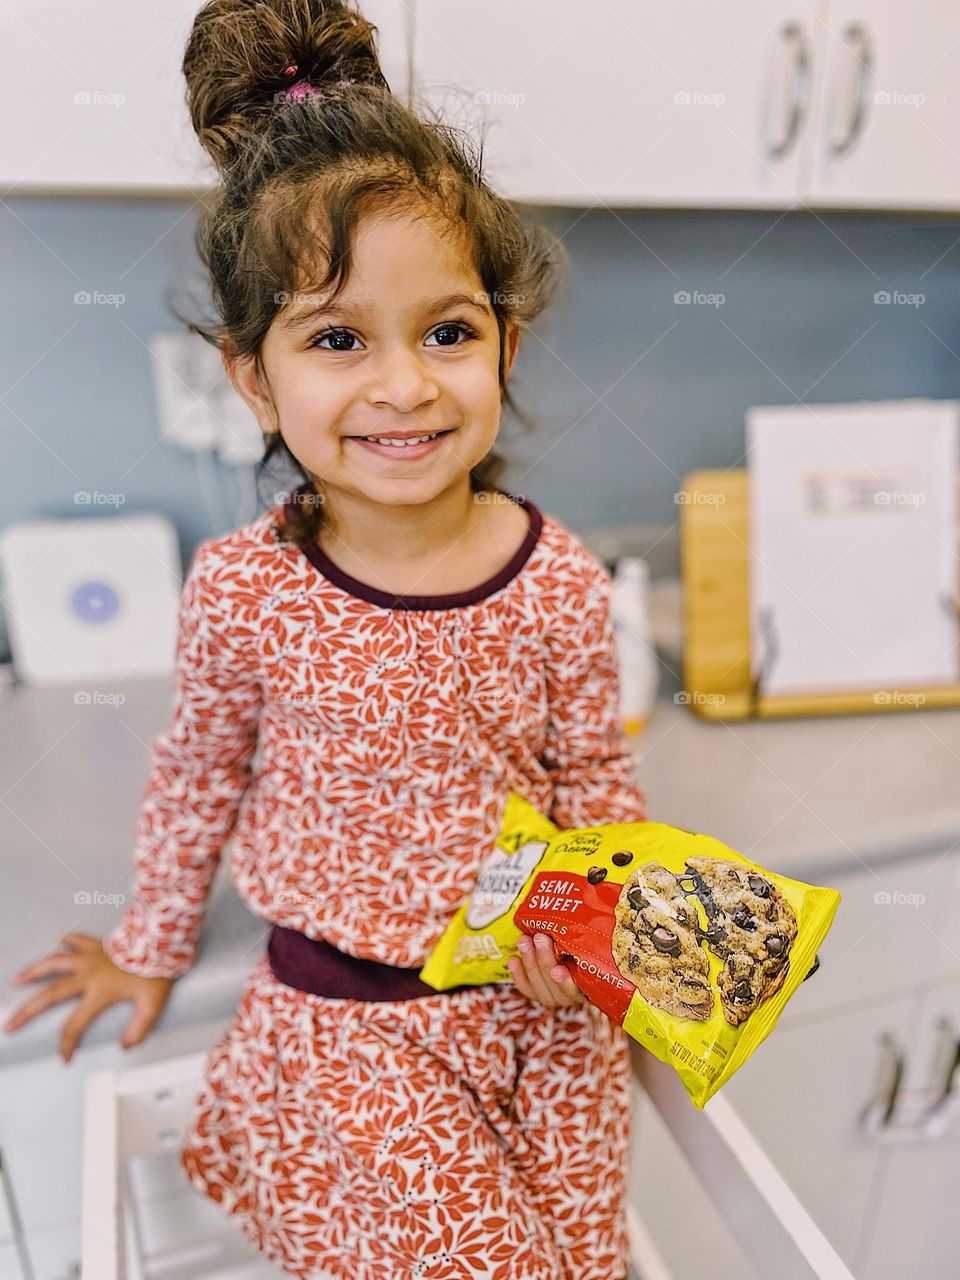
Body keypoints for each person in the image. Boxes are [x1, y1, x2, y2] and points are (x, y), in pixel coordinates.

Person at [4, 2, 648, 1275]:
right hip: (358, 1032)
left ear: (506, 345)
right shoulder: (246, 588)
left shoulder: (562, 576)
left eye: (448, 331)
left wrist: (592, 930)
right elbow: (200, 771)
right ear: (254, 376)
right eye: (339, 338)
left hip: (550, 1032)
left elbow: (594, 781)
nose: (404, 383)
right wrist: (145, 948)